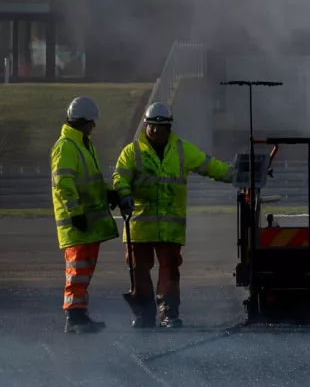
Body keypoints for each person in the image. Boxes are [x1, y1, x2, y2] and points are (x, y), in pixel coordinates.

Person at [112, 102, 234, 328]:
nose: (155, 132)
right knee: (138, 267)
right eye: (152, 127)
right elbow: (120, 177)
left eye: (160, 127)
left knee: (169, 268)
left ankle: (168, 312)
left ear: (169, 128)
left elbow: (210, 165)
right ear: (146, 126)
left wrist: (234, 174)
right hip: (141, 224)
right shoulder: (132, 152)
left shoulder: (182, 150)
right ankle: (144, 312)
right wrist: (124, 194)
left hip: (170, 225)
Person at [52, 96, 128, 334]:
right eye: (91, 122)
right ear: (82, 121)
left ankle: (79, 314)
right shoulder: (66, 146)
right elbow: (63, 183)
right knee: (77, 270)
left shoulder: (84, 145)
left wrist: (109, 193)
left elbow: (92, 180)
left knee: (84, 270)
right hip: (78, 223)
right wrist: (75, 212)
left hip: (88, 224)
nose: (94, 126)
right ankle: (74, 317)